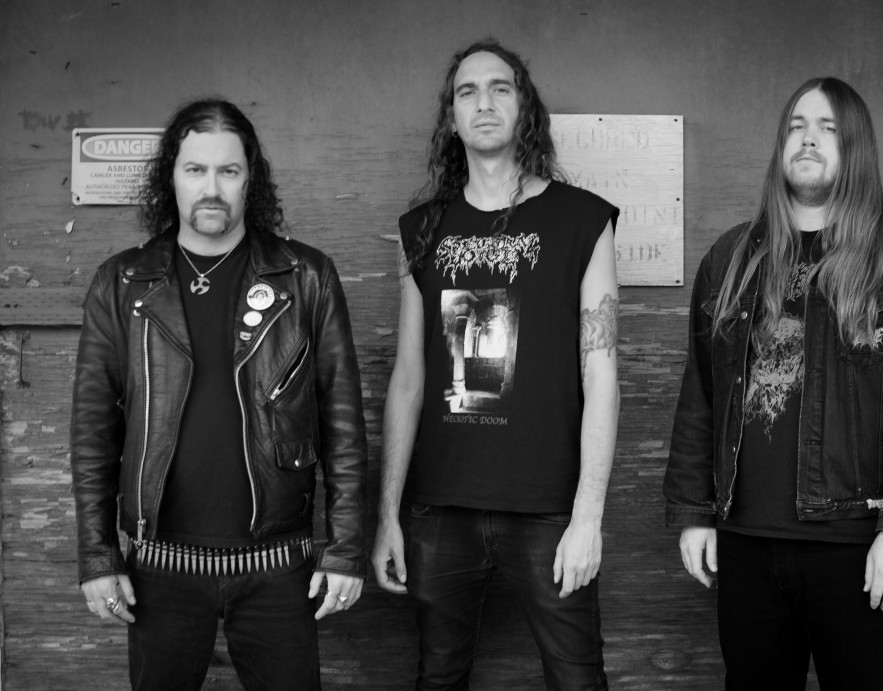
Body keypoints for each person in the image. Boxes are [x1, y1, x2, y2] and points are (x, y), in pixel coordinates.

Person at [664, 77, 883, 690]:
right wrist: (695, 513)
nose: (808, 139)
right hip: (745, 543)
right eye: (797, 127)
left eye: (828, 129)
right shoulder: (729, 258)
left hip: (853, 547)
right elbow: (701, 393)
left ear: (855, 149)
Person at [70, 99, 368, 690]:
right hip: (160, 566)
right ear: (171, 178)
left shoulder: (306, 277)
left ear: (250, 179)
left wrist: (346, 549)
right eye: (195, 169)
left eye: (228, 171)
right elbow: (93, 432)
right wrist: (97, 556)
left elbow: (342, 422)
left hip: (279, 565)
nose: (212, 188)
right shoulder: (122, 283)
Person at [371, 39, 619, 690]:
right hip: (439, 507)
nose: (483, 102)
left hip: (549, 509)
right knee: (438, 676)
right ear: (451, 118)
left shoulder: (583, 220)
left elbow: (601, 373)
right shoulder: (420, 230)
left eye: (500, 88)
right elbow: (408, 378)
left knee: (578, 678)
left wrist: (588, 516)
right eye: (467, 91)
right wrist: (388, 514)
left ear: (524, 108)